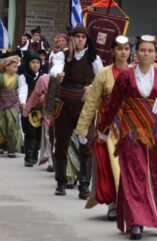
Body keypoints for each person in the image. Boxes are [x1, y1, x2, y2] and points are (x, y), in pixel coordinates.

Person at [97, 35, 157, 240]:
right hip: (131, 132)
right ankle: (137, 222)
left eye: (150, 51)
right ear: (137, 53)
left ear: (155, 54)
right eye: (143, 50)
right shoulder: (126, 76)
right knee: (134, 175)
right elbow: (114, 104)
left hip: (155, 132)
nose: (146, 54)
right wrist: (103, 129)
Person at [75, 36, 131, 220]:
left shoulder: (136, 73)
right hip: (107, 128)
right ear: (113, 51)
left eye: (127, 48)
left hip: (130, 128)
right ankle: (113, 204)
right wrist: (82, 129)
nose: (124, 52)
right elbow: (91, 102)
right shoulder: (103, 74)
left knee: (129, 167)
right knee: (109, 166)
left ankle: (130, 204)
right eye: (120, 49)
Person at [49, 25, 103, 197]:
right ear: (72, 38)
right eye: (78, 36)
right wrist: (58, 74)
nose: (80, 39)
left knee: (85, 145)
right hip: (64, 106)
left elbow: (102, 78)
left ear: (87, 40)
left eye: (83, 37)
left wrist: (92, 86)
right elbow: (55, 68)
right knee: (61, 143)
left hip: (83, 107)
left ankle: (84, 185)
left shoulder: (93, 58)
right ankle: (60, 182)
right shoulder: (62, 55)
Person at [19, 52, 43, 167]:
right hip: (29, 108)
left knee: (38, 133)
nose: (35, 65)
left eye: (38, 62)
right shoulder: (24, 76)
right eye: (33, 62)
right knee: (30, 133)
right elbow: (23, 89)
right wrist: (23, 102)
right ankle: (28, 157)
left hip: (41, 109)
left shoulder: (44, 76)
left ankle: (34, 155)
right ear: (28, 63)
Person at [0, 56, 22, 158]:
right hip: (1, 103)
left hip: (13, 104)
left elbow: (22, 89)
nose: (15, 69)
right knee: (1, 125)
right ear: (7, 66)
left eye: (16, 67)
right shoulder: (1, 77)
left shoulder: (18, 78)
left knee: (12, 125)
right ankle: (1, 145)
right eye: (13, 67)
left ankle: (12, 149)